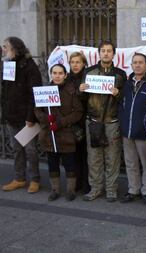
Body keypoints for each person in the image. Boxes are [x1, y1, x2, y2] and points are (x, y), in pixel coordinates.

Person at [79, 41, 127, 202]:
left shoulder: (120, 74)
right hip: (93, 121)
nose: (106, 53)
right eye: (103, 51)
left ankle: (111, 190)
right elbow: (83, 99)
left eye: (109, 51)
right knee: (94, 158)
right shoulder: (89, 72)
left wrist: (117, 94)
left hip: (112, 122)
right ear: (99, 53)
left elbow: (125, 100)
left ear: (114, 54)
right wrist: (82, 91)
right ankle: (95, 189)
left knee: (112, 158)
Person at [34, 64, 83, 201]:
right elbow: (37, 110)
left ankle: (70, 190)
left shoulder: (72, 91)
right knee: (52, 164)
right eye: (54, 73)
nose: (57, 75)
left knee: (69, 164)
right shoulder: (44, 91)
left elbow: (78, 112)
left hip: (66, 133)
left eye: (60, 73)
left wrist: (60, 122)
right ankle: (55, 190)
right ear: (51, 74)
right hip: (50, 135)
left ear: (65, 75)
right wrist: (45, 118)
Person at [1, 37, 41, 193]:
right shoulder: (8, 65)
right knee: (16, 149)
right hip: (12, 116)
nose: (3, 49)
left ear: (15, 49)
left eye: (6, 47)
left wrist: (31, 117)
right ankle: (19, 178)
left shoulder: (30, 67)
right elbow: (6, 91)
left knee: (30, 150)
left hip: (27, 119)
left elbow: (34, 94)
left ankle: (35, 179)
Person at [119, 53, 146, 206]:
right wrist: (122, 124)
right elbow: (121, 105)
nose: (137, 65)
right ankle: (133, 189)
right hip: (127, 131)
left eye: (141, 62)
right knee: (130, 162)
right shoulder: (127, 84)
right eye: (135, 62)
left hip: (143, 132)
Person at [67, 51, 90, 194]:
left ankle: (88, 184)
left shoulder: (88, 78)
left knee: (86, 155)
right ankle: (76, 183)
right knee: (73, 155)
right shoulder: (66, 78)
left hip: (85, 121)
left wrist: (82, 91)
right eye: (72, 62)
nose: (75, 65)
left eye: (78, 62)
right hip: (70, 123)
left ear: (83, 64)